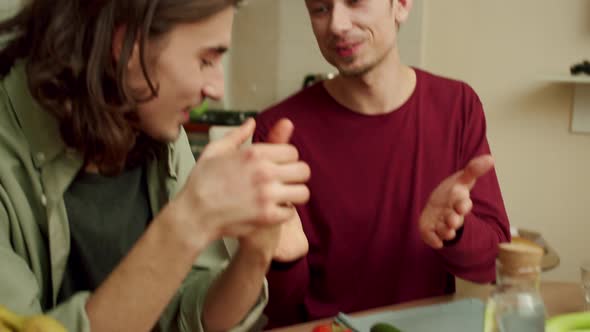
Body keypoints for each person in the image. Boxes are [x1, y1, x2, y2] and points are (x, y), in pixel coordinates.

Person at [0, 1, 311, 331]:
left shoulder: (151, 118)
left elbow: (187, 315)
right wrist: (192, 217)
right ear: (127, 46)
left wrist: (255, 254)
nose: (216, 89)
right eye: (206, 59)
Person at [253, 0, 511, 327]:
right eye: (320, 8)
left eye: (355, 1)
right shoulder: (279, 129)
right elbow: (279, 310)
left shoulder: (457, 107)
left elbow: (493, 262)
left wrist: (454, 230)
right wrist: (279, 259)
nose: (336, 24)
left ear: (401, 5)